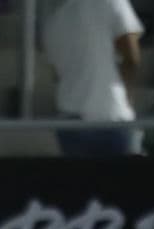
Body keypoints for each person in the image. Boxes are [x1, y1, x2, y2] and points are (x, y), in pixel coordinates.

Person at [42, 0, 144, 157]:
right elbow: (132, 57)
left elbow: (57, 74)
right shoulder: (111, 2)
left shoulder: (54, 20)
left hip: (69, 121)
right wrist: (128, 98)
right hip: (110, 116)